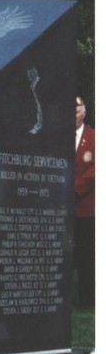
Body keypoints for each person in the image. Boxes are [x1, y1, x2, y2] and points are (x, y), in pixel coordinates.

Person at [74, 96, 95, 308]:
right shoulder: (59, 137)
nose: (74, 113)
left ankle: (88, 300)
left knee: (86, 255)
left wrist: (76, 188)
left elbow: (96, 170)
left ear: (84, 112)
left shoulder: (95, 137)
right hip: (62, 206)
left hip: (86, 207)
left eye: (77, 109)